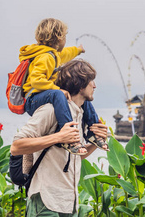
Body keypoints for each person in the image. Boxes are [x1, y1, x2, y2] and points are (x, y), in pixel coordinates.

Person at [11, 59, 108, 216]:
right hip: (45, 202)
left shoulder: (80, 114)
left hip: (69, 203)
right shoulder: (50, 110)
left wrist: (95, 142)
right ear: (81, 83)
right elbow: (16, 146)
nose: (95, 86)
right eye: (91, 81)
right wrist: (58, 137)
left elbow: (76, 157)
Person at [19, 18, 108, 154]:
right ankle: (69, 136)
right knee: (59, 94)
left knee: (83, 98)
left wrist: (78, 50)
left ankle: (92, 132)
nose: (66, 40)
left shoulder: (53, 55)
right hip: (33, 99)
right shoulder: (45, 57)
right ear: (59, 38)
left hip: (44, 95)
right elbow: (36, 81)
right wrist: (57, 89)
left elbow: (66, 53)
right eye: (65, 36)